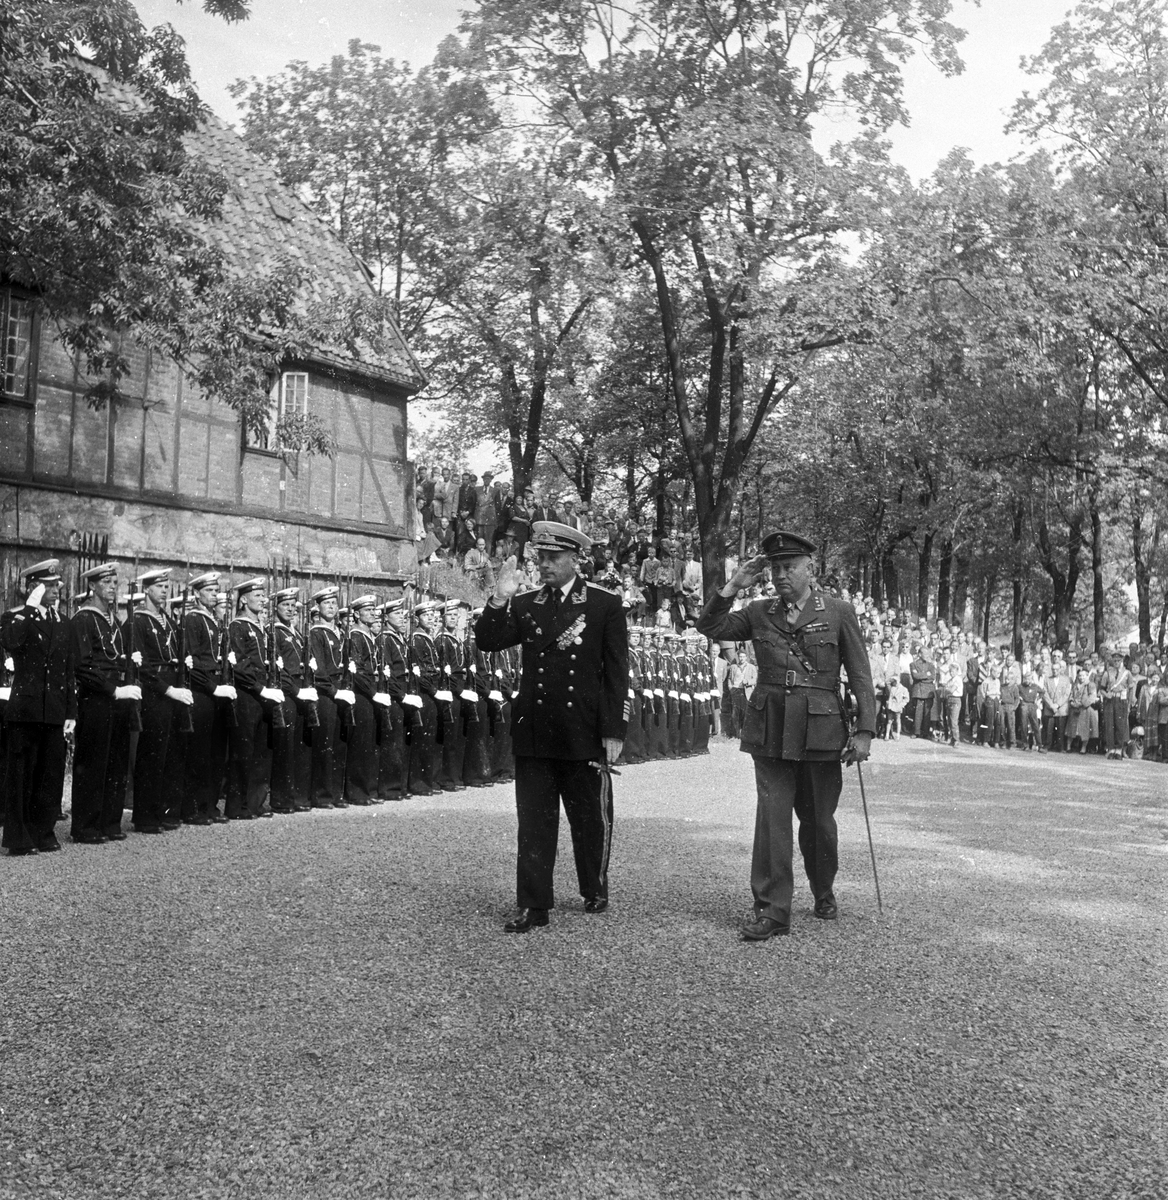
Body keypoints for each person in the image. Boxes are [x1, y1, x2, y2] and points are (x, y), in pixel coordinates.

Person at [696, 530, 875, 941]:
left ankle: (822, 888)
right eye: (775, 568)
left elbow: (861, 675)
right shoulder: (759, 611)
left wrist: (864, 732)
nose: (780, 575)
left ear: (810, 569)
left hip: (822, 729)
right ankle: (773, 910)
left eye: (789, 567)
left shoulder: (838, 611)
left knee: (818, 821)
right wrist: (734, 584)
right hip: (771, 727)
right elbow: (711, 624)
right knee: (772, 820)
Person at [475, 521, 628, 933]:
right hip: (536, 728)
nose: (544, 565)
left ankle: (594, 886)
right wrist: (499, 597)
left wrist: (613, 731)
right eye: (540, 558)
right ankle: (533, 903)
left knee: (589, 819)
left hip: (583, 729)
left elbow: (617, 674)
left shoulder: (603, 604)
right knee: (534, 822)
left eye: (553, 558)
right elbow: (488, 641)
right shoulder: (526, 604)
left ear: (575, 559)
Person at [1, 560, 76, 855]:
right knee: (22, 774)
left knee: (50, 773)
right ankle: (19, 838)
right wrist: (31, 609)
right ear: (33, 587)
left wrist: (71, 712)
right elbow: (10, 642)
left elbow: (68, 671)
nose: (57, 590)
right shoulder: (15, 617)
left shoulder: (64, 622)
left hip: (54, 709)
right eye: (50, 585)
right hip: (26, 709)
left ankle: (43, 832)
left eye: (57, 584)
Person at [70, 562, 137, 844]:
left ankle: (109, 822)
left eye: (114, 583)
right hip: (96, 698)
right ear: (92, 586)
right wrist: (113, 689)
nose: (112, 588)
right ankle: (86, 826)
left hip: (117, 697)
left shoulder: (114, 620)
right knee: (94, 762)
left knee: (116, 761)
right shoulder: (84, 619)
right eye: (106, 583)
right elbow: (83, 667)